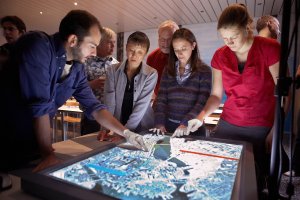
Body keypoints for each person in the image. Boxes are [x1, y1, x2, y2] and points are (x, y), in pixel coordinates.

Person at [0, 10, 147, 173]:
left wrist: (127, 133)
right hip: (7, 138)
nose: (94, 53)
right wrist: (48, 154)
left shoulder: (77, 69)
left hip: (33, 144)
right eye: (92, 46)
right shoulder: (38, 45)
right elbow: (40, 106)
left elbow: (95, 107)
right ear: (73, 40)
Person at [186, 4, 280, 194]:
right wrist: (201, 116)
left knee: (252, 175)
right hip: (229, 120)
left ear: (248, 27)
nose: (229, 42)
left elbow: (282, 94)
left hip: (260, 124)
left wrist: (275, 130)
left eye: (234, 37)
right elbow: (215, 95)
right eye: (224, 38)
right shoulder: (220, 56)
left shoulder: (270, 48)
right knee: (217, 168)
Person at [151, 28, 211, 137]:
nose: (179, 53)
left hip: (193, 128)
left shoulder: (204, 70)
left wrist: (185, 123)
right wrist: (159, 122)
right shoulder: (168, 69)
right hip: (168, 127)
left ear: (193, 46)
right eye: (176, 49)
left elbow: (202, 102)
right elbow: (161, 98)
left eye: (183, 48)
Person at [104, 31, 157, 133]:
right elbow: (109, 103)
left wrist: (125, 132)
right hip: (117, 125)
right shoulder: (112, 70)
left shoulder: (151, 74)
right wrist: (107, 128)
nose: (134, 55)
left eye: (140, 52)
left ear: (145, 53)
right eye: (131, 50)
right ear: (126, 48)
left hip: (143, 127)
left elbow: (141, 106)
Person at [81, 27, 119, 135]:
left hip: (111, 116)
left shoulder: (116, 64)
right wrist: (91, 84)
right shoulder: (85, 61)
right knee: (89, 149)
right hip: (91, 117)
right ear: (99, 43)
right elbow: (75, 87)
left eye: (114, 42)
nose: (113, 46)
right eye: (109, 42)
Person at [146, 20, 179, 98]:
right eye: (162, 39)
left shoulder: (185, 56)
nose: (166, 43)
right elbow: (149, 85)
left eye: (169, 39)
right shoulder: (152, 57)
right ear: (158, 38)